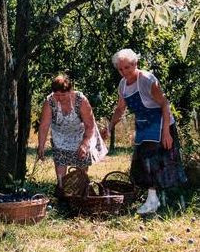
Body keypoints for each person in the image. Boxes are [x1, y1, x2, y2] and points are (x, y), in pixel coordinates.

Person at [103, 48, 187, 215]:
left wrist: (166, 133)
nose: (123, 72)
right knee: (141, 162)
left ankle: (159, 200)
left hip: (161, 123)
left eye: (127, 67)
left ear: (135, 64)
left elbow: (164, 104)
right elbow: (120, 109)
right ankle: (153, 199)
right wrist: (109, 127)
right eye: (120, 69)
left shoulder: (147, 80)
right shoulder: (123, 85)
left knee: (155, 162)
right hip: (143, 125)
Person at [37, 74, 107, 191]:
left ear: (70, 91)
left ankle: (80, 191)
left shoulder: (81, 100)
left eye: (63, 94)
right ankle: (61, 190)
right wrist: (41, 146)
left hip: (81, 134)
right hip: (60, 135)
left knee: (81, 164)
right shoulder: (50, 102)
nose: (59, 98)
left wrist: (84, 144)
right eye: (57, 95)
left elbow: (89, 125)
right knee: (60, 161)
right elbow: (44, 126)